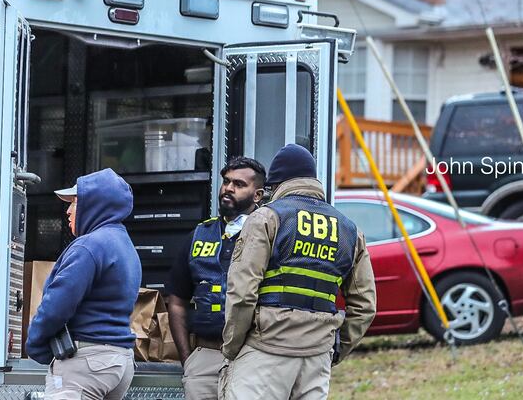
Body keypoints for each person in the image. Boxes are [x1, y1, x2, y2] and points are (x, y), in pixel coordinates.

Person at [220, 144, 377, 399]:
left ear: (277, 183)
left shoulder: (266, 219)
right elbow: (365, 306)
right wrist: (334, 349)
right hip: (316, 358)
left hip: (264, 352)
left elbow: (242, 293)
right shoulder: (349, 230)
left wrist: (233, 346)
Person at [26, 168, 142, 400]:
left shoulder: (88, 246)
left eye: (75, 202)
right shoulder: (125, 246)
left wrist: (36, 345)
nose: (68, 210)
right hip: (119, 362)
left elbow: (56, 305)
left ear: (95, 205)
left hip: (86, 365)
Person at [166, 156, 266, 400]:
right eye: (226, 181)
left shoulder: (268, 235)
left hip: (252, 356)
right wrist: (188, 359)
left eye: (239, 184)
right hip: (205, 356)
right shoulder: (200, 234)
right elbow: (176, 301)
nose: (228, 188)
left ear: (257, 195)